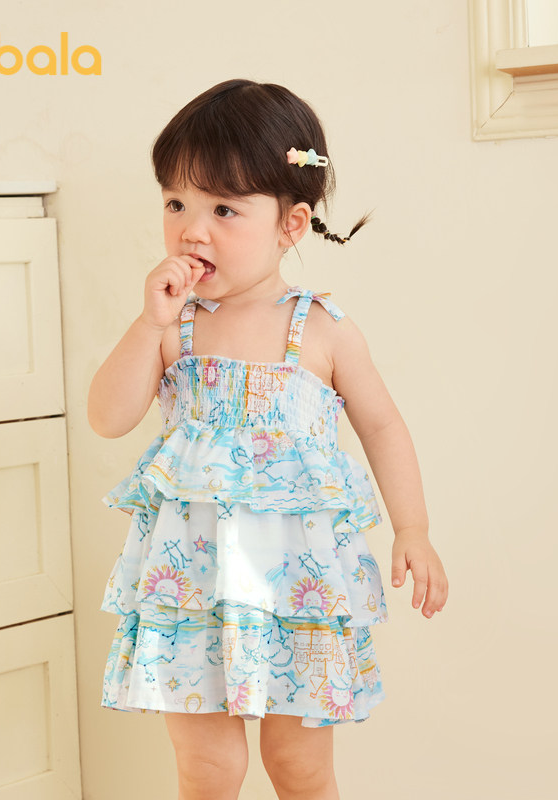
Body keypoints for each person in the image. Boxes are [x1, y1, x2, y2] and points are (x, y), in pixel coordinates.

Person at [88, 78, 448, 800]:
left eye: (224, 208)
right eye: (176, 204)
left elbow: (382, 425)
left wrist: (413, 528)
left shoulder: (323, 330)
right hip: (192, 591)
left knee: (299, 767)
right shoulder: (175, 328)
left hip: (300, 591)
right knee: (209, 769)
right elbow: (108, 415)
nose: (193, 230)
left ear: (291, 223)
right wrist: (149, 323)